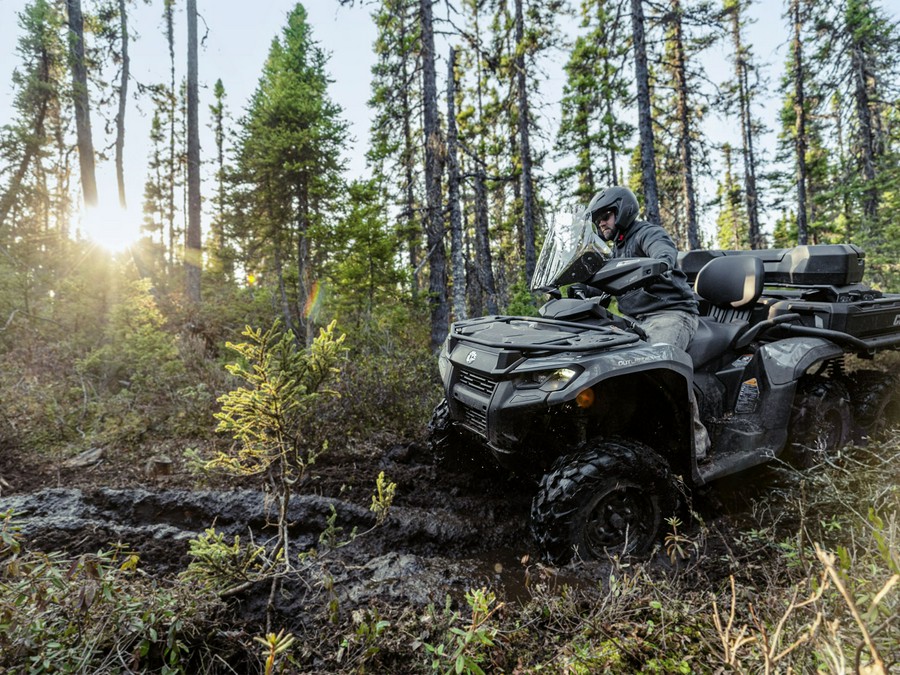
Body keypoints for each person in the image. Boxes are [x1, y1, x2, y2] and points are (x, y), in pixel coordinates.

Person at [587, 185, 711, 458]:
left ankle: (697, 446)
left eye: (605, 216)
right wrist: (586, 289)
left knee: (662, 368)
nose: (602, 224)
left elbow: (663, 253)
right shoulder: (617, 248)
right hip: (635, 319)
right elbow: (610, 279)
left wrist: (660, 262)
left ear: (621, 211)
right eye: (598, 221)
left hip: (671, 313)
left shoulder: (647, 233)